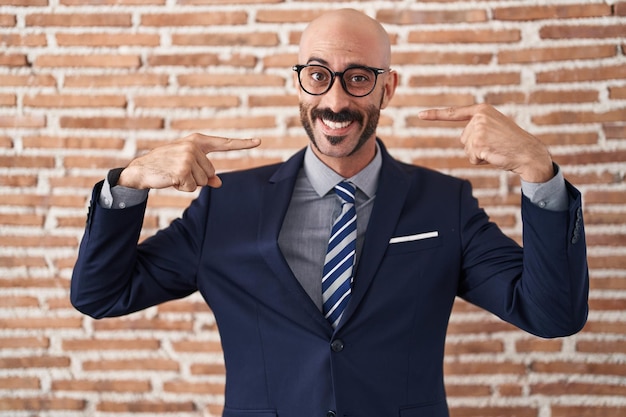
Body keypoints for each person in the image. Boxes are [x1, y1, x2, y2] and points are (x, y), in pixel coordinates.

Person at [70, 8, 589, 417]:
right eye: (318, 75)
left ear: (388, 87)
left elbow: (552, 314)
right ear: (296, 84)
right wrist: (129, 182)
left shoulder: (443, 202)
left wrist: (539, 172)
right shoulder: (225, 202)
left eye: (358, 78)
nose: (335, 100)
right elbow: (101, 294)